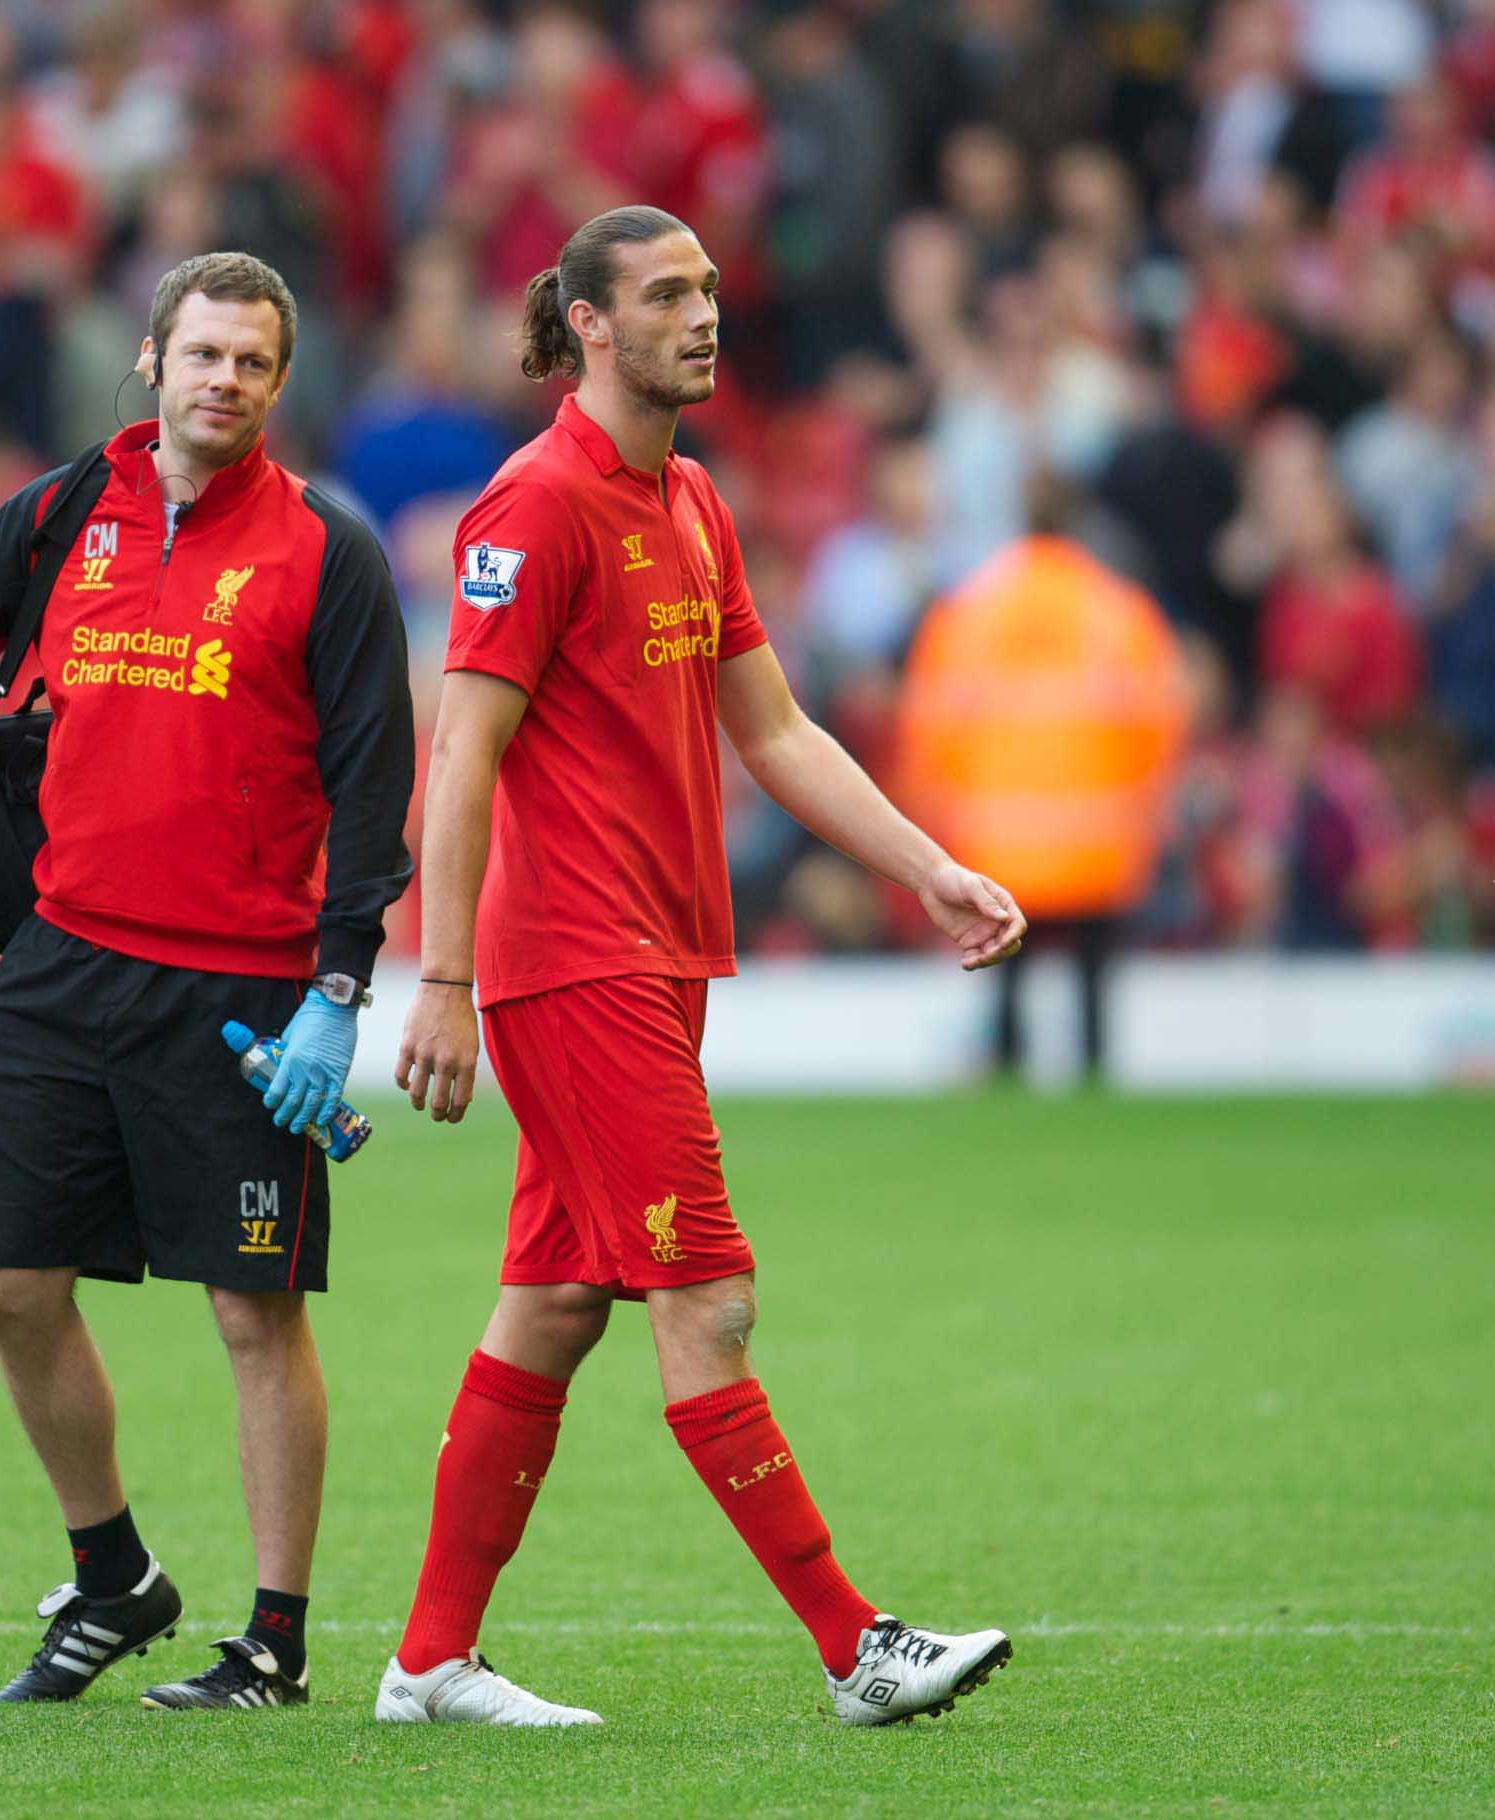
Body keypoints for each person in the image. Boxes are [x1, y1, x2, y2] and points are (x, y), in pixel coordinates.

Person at [382, 205, 1027, 1730]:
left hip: (657, 954)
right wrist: (445, 976)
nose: (704, 314)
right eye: (667, 294)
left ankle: (427, 1664)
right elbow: (460, 748)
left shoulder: (691, 502)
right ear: (588, 324)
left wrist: (925, 864)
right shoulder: (533, 507)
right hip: (571, 962)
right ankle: (854, 1646)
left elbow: (777, 732)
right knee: (708, 1299)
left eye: (712, 289)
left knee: (552, 1304)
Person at [0, 252, 414, 1711]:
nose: (226, 380)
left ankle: (273, 1642)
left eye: (255, 363)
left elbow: (370, 785)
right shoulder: (52, 515)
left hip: (238, 987)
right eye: (204, 353)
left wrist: (337, 993)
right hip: (60, 958)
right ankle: (115, 1582)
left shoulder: (326, 554)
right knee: (5, 1287)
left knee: (251, 1312)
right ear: (152, 359)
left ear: (280, 384)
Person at [895, 491, 1191, 1082]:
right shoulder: (1120, 610)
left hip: (999, 836)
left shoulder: (969, 611)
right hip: (1098, 836)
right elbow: (1161, 718)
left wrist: (936, 816)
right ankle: (1094, 1071)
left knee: (1003, 961)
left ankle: (1006, 1063)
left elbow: (929, 724)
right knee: (1092, 969)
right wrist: (1148, 808)